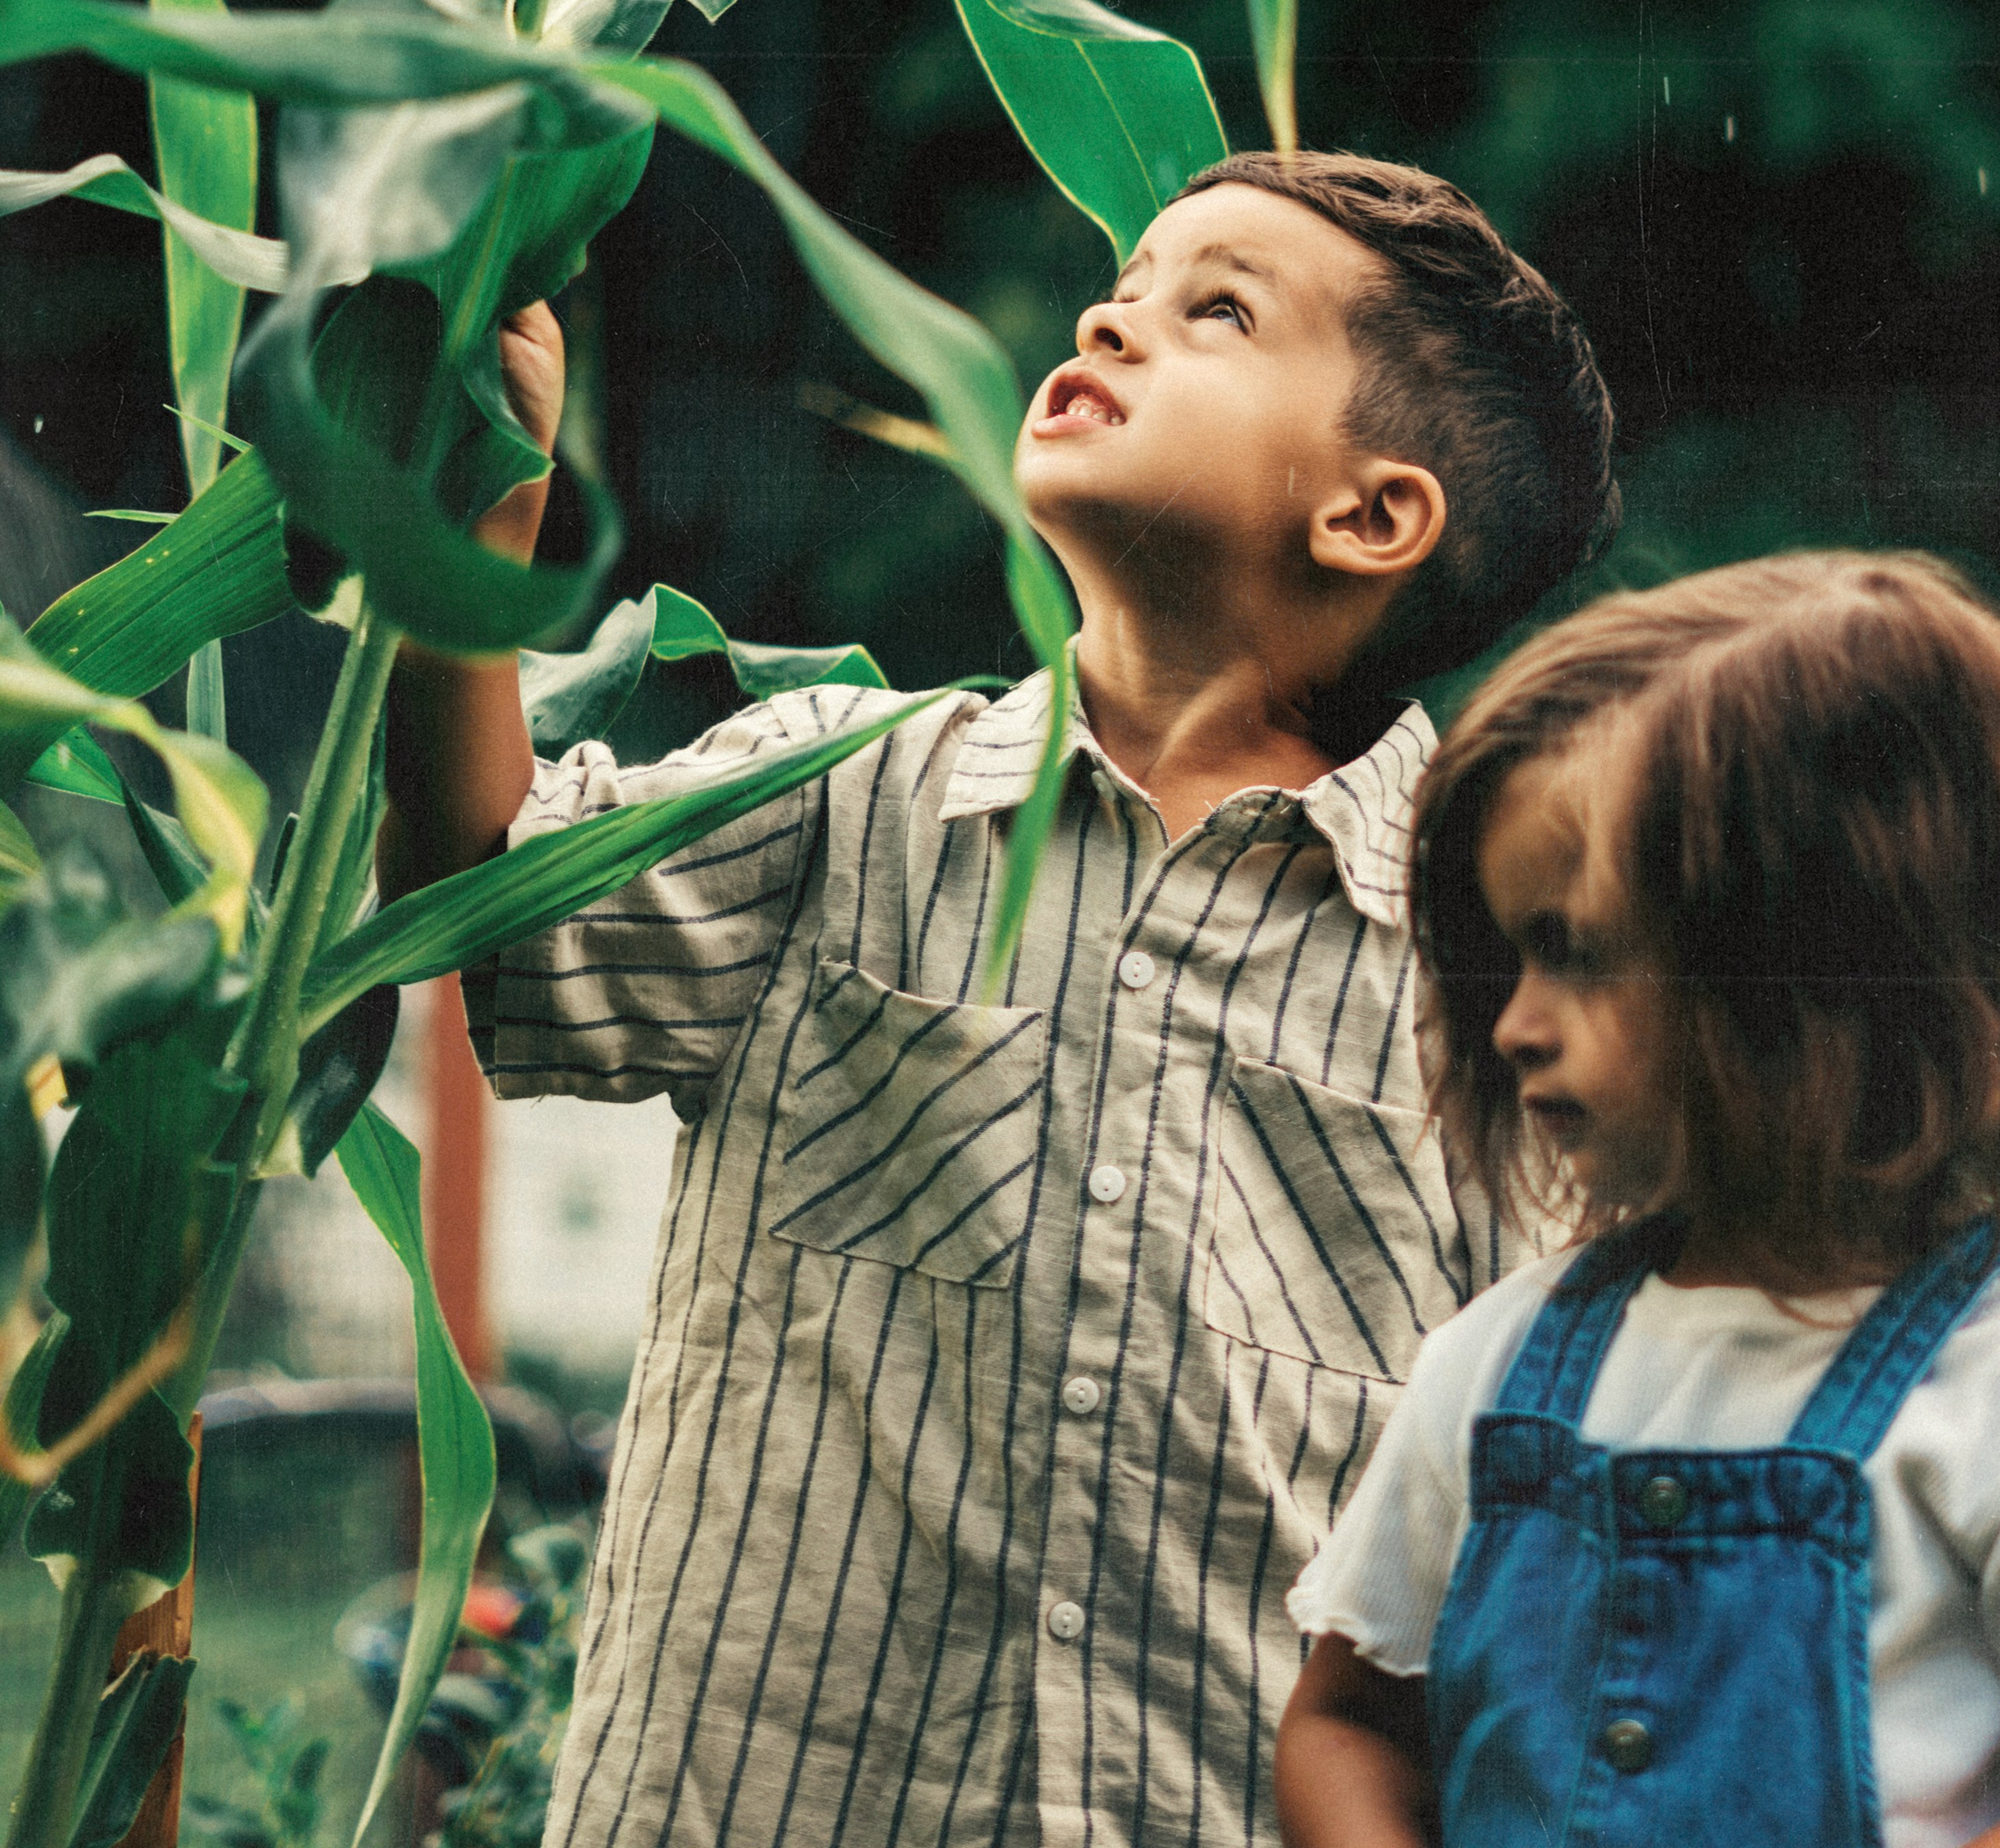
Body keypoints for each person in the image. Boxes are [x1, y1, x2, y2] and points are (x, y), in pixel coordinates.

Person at [378, 149, 1618, 1848]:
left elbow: (1543, 1492)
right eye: (1131, 278)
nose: (1117, 314)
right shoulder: (836, 797)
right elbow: (484, 895)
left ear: (1371, 515)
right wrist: (476, 529)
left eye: (1216, 311)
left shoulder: (1487, 970)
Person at [1275, 551, 2000, 1848]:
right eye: (1504, 961)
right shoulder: (1498, 1368)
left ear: (1819, 969)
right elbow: (1348, 1719)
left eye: (1574, 953)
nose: (1512, 1024)